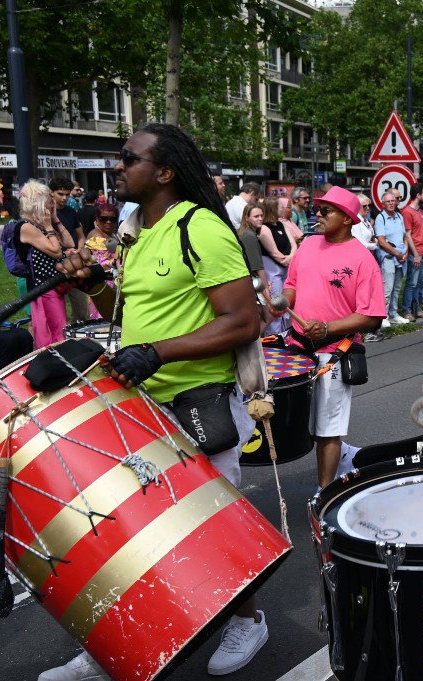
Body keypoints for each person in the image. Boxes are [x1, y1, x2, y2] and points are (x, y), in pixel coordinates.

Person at [50, 123, 266, 680]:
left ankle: (250, 618)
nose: (118, 166)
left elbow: (244, 319)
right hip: (143, 407)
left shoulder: (202, 230)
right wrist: (93, 283)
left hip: (201, 403)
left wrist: (159, 353)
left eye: (128, 158)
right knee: (130, 535)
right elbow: (129, 313)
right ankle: (112, 648)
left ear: (164, 171)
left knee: (214, 532)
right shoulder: (137, 232)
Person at [273, 187, 385, 488]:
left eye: (326, 211)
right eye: (318, 209)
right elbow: (293, 283)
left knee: (328, 429)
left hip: (334, 352)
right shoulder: (308, 244)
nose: (318, 215)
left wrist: (327, 327)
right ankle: (345, 458)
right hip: (296, 348)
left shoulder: (363, 260)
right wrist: (282, 300)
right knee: (299, 423)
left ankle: (325, 492)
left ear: (347, 219)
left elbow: (372, 315)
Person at [17, 180, 76, 348]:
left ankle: (60, 363)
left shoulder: (39, 225)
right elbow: (56, 251)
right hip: (42, 288)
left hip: (53, 286)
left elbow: (70, 243)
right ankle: (53, 365)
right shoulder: (26, 227)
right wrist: (49, 225)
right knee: (49, 333)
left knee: (59, 329)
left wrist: (55, 220)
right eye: (47, 201)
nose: (51, 205)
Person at [49, 176, 90, 324]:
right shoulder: (45, 213)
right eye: (60, 194)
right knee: (51, 316)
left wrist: (79, 251)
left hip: (73, 266)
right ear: (51, 193)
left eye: (67, 194)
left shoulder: (71, 212)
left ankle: (77, 339)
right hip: (53, 267)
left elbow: (80, 236)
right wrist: (62, 252)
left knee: (81, 309)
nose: (64, 198)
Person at [258, 197, 298, 336]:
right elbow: (273, 251)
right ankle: (273, 336)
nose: (283, 209)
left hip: (285, 268)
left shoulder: (281, 225)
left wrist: (291, 256)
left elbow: (293, 244)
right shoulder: (264, 228)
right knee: (276, 303)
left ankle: (285, 334)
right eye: (280, 206)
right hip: (273, 270)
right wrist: (286, 260)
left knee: (287, 304)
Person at [373, 191, 413, 324]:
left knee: (397, 287)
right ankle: (383, 316)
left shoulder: (399, 216)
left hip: (401, 257)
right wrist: (397, 253)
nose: (391, 203)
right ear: (383, 204)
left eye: (393, 200)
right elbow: (382, 241)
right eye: (388, 201)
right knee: (387, 288)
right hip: (389, 257)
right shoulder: (381, 218)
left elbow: (404, 236)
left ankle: (394, 314)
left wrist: (406, 251)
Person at [399, 183, 423, 320]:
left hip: (422, 251)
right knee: (412, 282)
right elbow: (408, 234)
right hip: (415, 252)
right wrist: (416, 254)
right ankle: (406, 310)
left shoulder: (418, 211)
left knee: (418, 283)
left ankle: (416, 309)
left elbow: (420, 233)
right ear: (418, 195)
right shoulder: (408, 212)